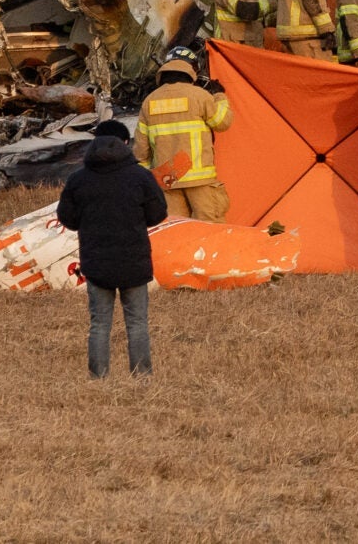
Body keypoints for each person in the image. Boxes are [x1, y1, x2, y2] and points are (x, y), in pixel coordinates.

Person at [55, 118, 167, 377]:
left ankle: (98, 378)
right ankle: (142, 378)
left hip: (96, 263)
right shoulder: (141, 176)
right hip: (134, 261)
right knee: (137, 323)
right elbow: (158, 213)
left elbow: (67, 219)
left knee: (99, 324)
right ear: (125, 143)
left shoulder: (78, 179)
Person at [131, 47, 233, 222]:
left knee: (177, 228)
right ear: (191, 71)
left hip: (168, 180)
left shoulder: (150, 101)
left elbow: (141, 151)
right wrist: (219, 96)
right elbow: (222, 122)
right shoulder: (199, 96)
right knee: (211, 229)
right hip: (199, 179)